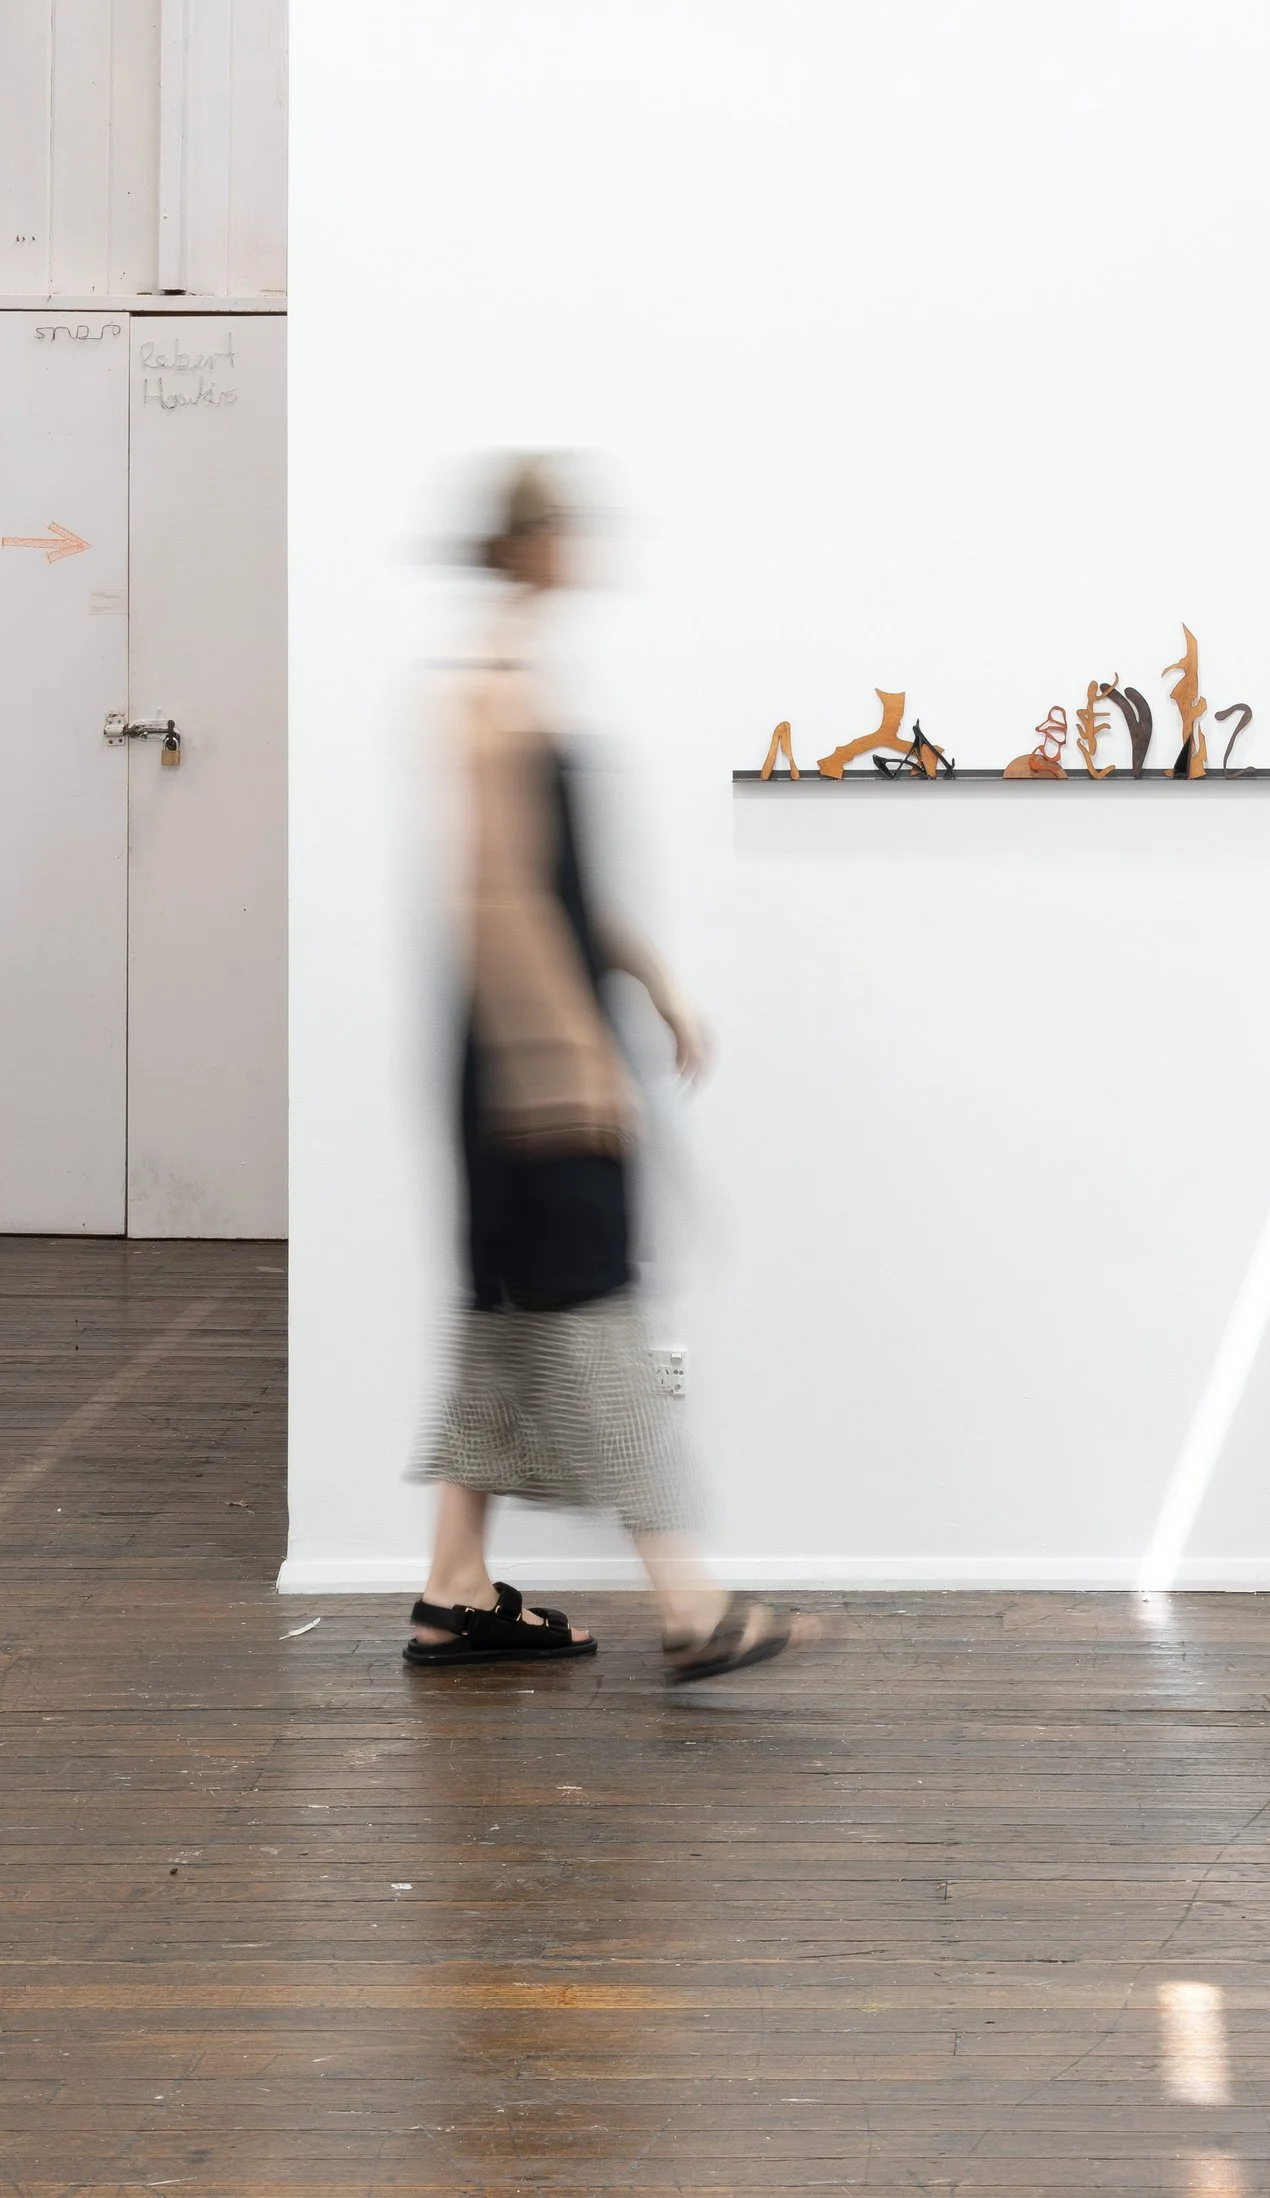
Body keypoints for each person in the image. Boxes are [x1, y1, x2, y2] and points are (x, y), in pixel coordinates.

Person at [407, 458, 818, 1683]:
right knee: (593, 1323)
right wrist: (571, 1059)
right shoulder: (484, 693)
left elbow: (569, 888)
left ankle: (452, 1590)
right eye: (565, 526)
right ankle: (690, 1602)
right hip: (523, 1057)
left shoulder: (524, 677)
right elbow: (497, 900)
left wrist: (645, 981)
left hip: (535, 1044)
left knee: (508, 1319)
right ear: (526, 540)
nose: (581, 545)